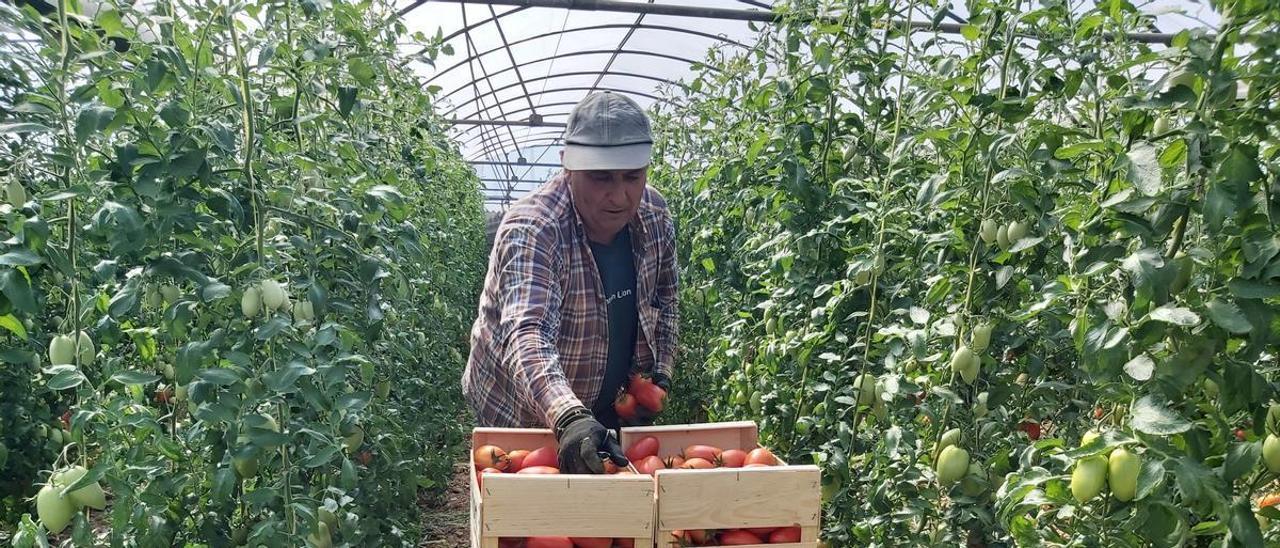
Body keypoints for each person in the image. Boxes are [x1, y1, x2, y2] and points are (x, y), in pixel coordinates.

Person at [462, 91, 679, 475]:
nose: (619, 195)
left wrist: (659, 373)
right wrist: (568, 416)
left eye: (632, 176)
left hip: (608, 409)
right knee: (533, 522)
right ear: (567, 166)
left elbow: (665, 299)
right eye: (600, 178)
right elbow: (528, 333)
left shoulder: (654, 215)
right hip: (520, 412)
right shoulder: (534, 228)